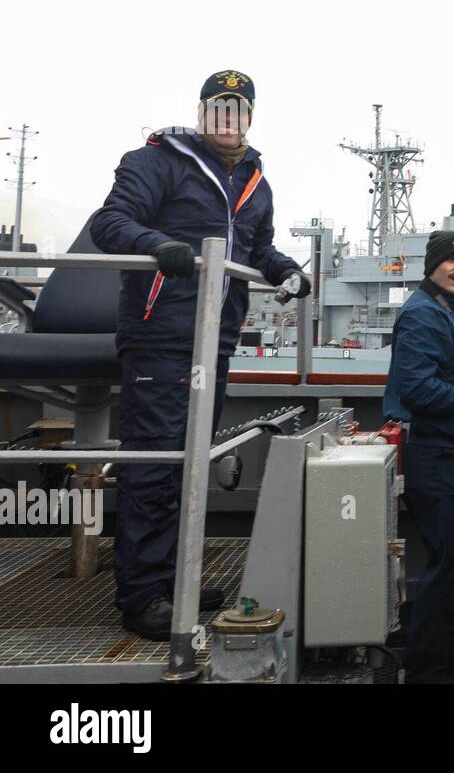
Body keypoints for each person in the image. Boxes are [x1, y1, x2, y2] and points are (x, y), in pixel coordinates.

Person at [89, 69, 309, 640]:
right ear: (203, 111)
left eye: (239, 107)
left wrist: (285, 269)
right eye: (219, 106)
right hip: (160, 333)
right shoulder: (157, 161)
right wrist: (158, 246)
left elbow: (256, 247)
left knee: (189, 462)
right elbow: (110, 222)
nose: (229, 117)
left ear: (251, 117)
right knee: (157, 462)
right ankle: (141, 596)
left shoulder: (255, 181)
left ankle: (168, 580)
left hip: (216, 337)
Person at [383, 231, 454, 682]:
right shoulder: (424, 314)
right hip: (430, 450)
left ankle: (436, 655)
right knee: (447, 560)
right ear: (432, 265)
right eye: (451, 260)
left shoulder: (445, 312)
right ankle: (427, 667)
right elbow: (415, 387)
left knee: (453, 557)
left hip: (441, 450)